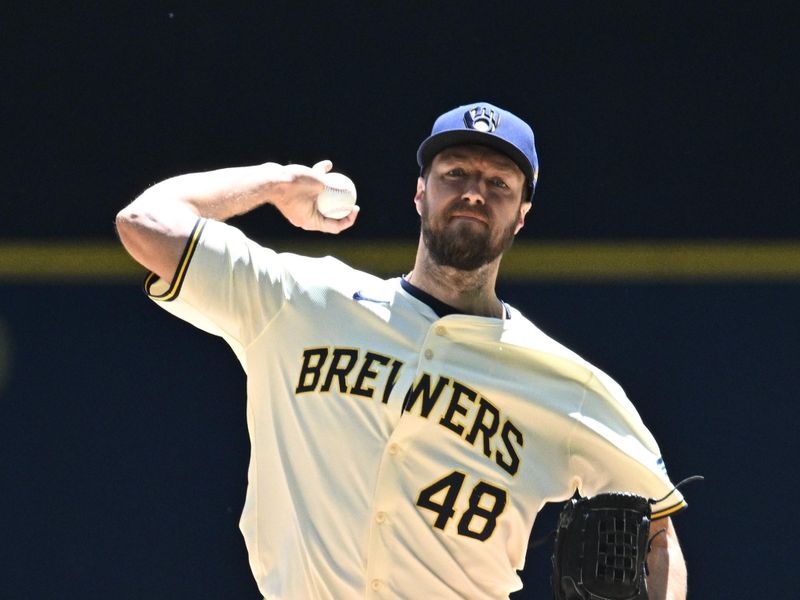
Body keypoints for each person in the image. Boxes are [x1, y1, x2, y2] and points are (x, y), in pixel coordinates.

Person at [116, 102, 688, 599]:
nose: (473, 193)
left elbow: (659, 530)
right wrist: (273, 183)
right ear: (420, 192)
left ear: (522, 216)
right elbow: (145, 222)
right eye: (454, 172)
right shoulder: (300, 302)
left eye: (499, 184)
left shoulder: (566, 385)